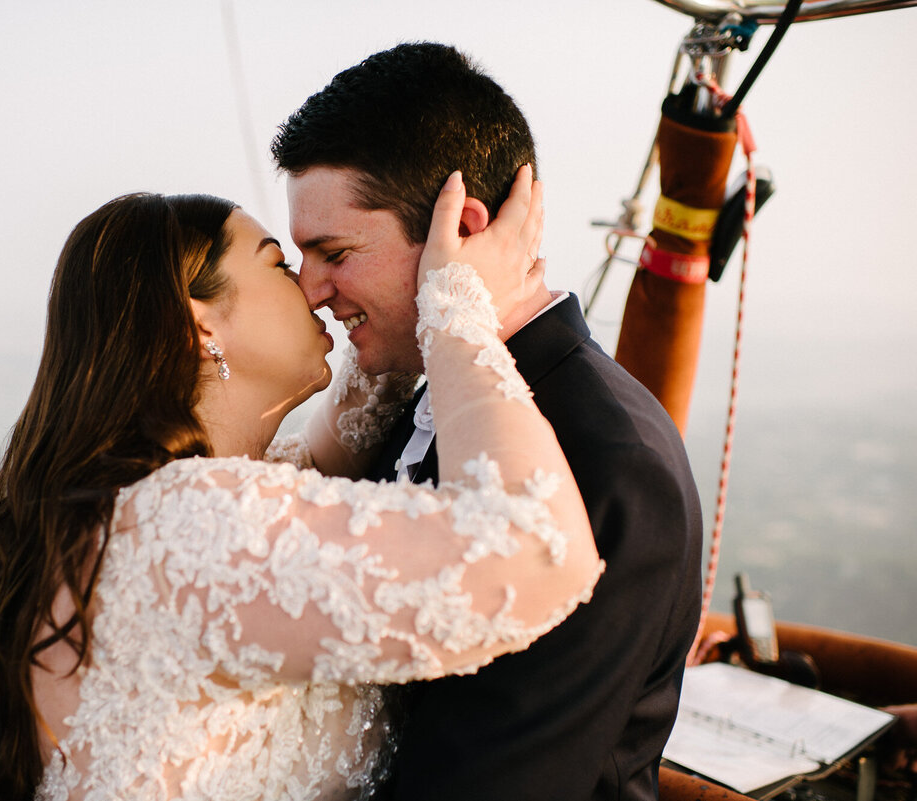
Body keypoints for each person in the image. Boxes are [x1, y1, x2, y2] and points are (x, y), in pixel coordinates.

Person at [0, 178, 604, 800]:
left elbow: (328, 448)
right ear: (200, 324)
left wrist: (405, 300)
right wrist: (458, 309)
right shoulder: (188, 525)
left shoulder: (143, 507)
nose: (313, 288)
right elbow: (538, 547)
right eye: (280, 265)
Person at [273, 42, 703, 800]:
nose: (310, 291)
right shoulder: (417, 391)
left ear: (460, 231)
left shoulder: (610, 457)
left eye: (333, 251)